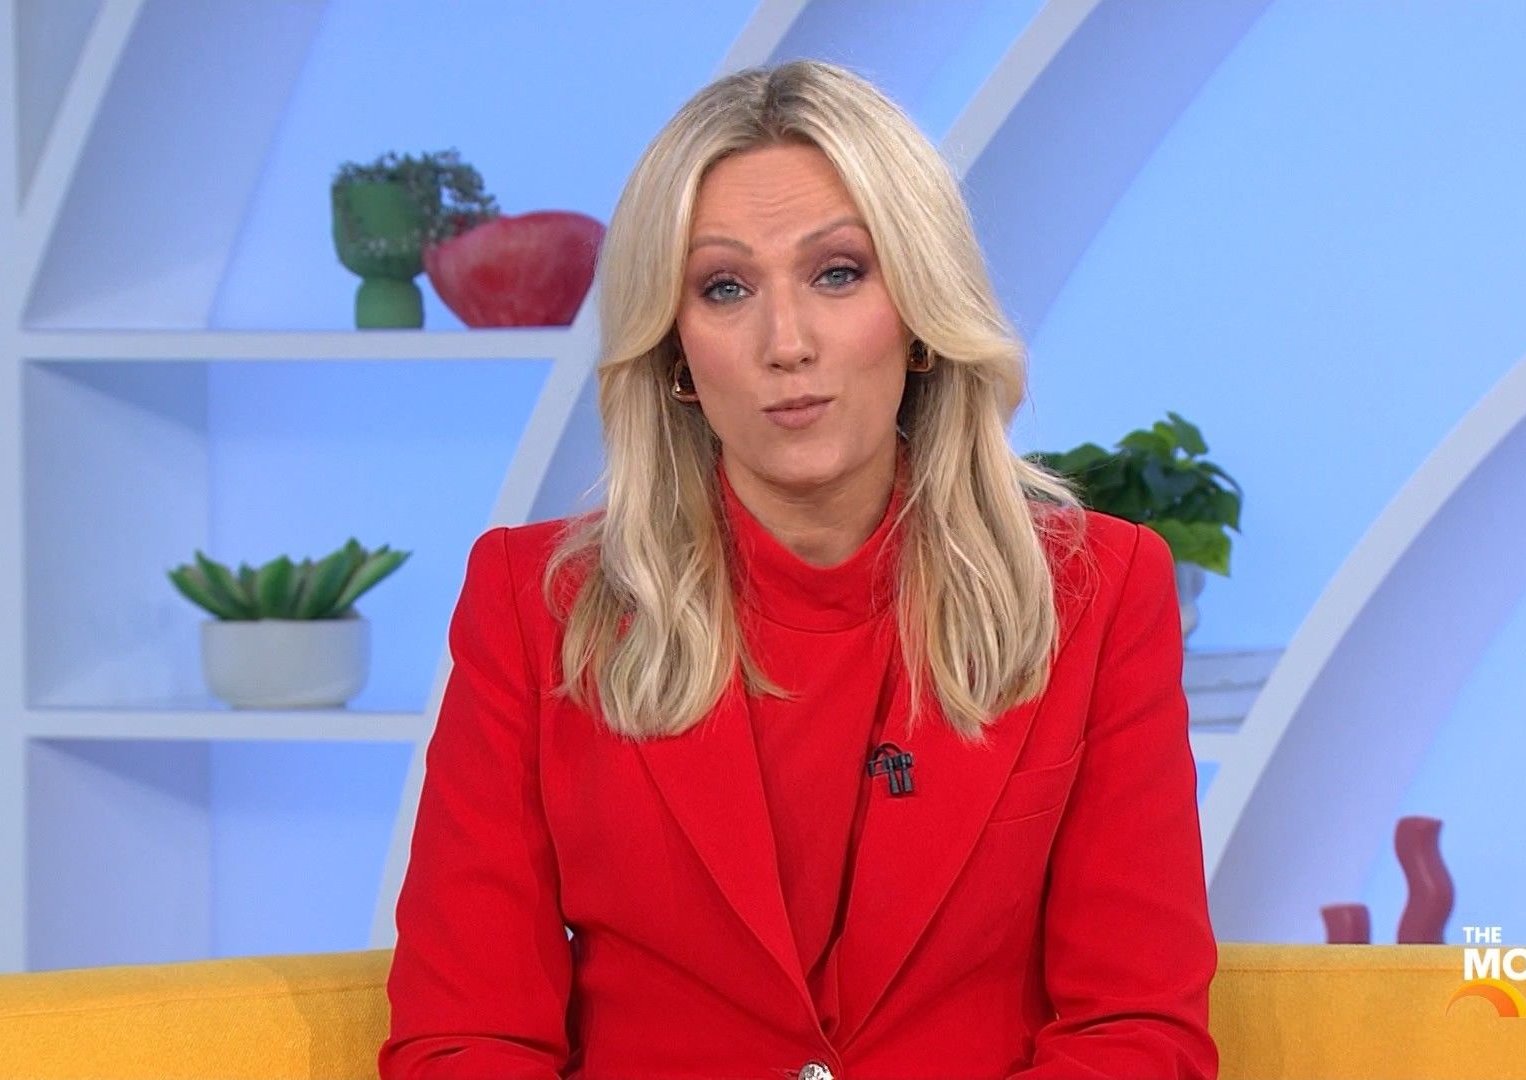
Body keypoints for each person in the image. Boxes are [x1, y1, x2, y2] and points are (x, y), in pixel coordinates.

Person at [379, 59, 1218, 1080]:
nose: (788, 343)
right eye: (725, 288)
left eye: (838, 273)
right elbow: (469, 1039)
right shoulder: (536, 608)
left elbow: (1133, 1032)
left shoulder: (1099, 592)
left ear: (918, 312)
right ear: (675, 352)